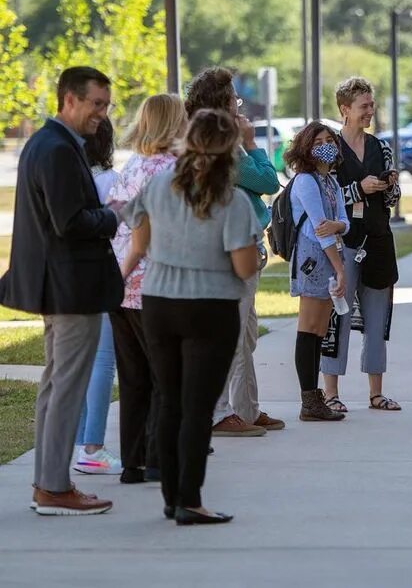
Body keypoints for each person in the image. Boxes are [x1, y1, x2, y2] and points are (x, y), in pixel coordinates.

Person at [123, 108, 261, 525]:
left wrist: (118, 280)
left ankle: (171, 497)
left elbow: (139, 244)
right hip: (212, 308)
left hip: (160, 304)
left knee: (168, 400)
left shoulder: (159, 184)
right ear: (229, 150)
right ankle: (190, 499)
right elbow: (243, 267)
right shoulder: (233, 200)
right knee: (198, 408)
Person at [0, 66, 122, 516]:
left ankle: (49, 483)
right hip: (71, 289)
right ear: (69, 100)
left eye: (105, 105)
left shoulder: (49, 144)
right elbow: (69, 222)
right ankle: (53, 487)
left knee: (57, 386)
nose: (101, 115)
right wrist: (114, 215)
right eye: (96, 104)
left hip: (63, 286)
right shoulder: (55, 149)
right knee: (66, 388)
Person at [184, 67, 284, 437]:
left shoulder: (217, 139)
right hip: (232, 248)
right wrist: (253, 142)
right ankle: (221, 412)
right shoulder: (223, 144)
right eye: (234, 100)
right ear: (221, 104)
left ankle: (246, 408)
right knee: (234, 334)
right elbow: (267, 181)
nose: (239, 105)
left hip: (246, 244)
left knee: (247, 334)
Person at [108, 93, 187, 483]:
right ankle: (158, 458)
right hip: (156, 282)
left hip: (120, 283)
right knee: (165, 375)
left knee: (134, 377)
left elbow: (116, 215)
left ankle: (132, 462)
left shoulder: (134, 166)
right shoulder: (174, 170)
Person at [321, 77, 401, 413]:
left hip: (379, 240)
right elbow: (323, 197)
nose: (370, 111)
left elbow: (393, 200)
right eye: (364, 106)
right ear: (344, 110)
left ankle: (376, 393)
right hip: (343, 244)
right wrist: (358, 189)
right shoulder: (329, 150)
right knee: (336, 316)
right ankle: (331, 394)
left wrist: (389, 186)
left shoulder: (381, 148)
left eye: (372, 104)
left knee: (377, 316)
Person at [287, 121, 350, 422]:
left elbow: (341, 222)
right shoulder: (306, 181)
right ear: (306, 148)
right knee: (308, 327)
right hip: (314, 258)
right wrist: (340, 270)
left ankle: (314, 399)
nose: (326, 145)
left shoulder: (331, 181)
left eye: (329, 139)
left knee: (321, 329)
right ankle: (309, 398)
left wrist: (338, 225)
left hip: (329, 254)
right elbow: (320, 228)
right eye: (318, 141)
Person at [73, 118, 122, 476]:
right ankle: (92, 447)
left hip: (71, 278)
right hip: (102, 275)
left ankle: (78, 444)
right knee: (103, 362)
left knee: (79, 364)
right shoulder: (109, 180)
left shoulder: (70, 177)